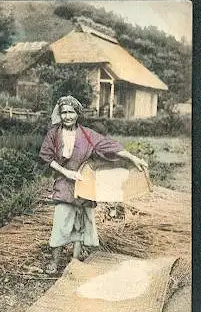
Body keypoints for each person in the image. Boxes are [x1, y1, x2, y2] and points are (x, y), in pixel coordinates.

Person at [39, 96, 148, 274]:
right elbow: (46, 156)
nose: (67, 116)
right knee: (61, 221)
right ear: (60, 115)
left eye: (71, 112)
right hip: (65, 182)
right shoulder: (54, 134)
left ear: (77, 114)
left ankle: (74, 261)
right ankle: (54, 260)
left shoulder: (87, 134)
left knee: (81, 222)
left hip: (84, 181)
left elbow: (108, 146)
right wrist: (66, 172)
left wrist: (132, 157)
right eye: (64, 112)